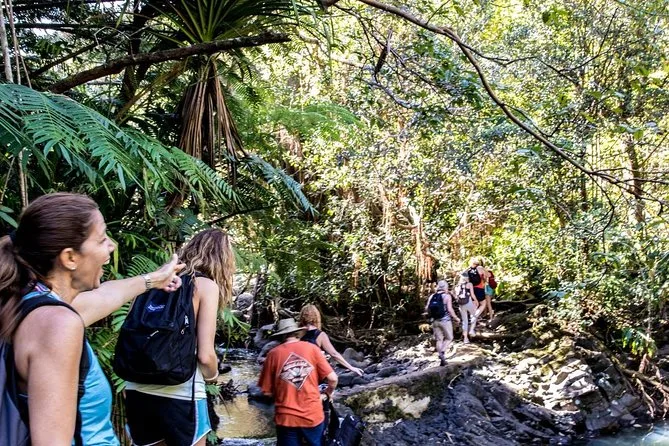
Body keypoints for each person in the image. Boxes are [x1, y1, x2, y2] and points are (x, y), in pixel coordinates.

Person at [0, 192, 183, 446]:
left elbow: (106, 296)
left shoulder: (29, 305)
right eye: (102, 239)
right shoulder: (58, 324)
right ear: (70, 258)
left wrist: (154, 279)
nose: (112, 246)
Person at [124, 228, 235, 446]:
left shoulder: (155, 280)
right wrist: (213, 376)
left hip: (136, 388)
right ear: (223, 260)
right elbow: (205, 356)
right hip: (181, 393)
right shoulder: (205, 286)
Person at [258, 318, 338, 446]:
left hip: (286, 418)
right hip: (312, 415)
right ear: (297, 333)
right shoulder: (312, 349)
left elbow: (266, 392)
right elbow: (333, 379)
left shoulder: (272, 354)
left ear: (281, 336)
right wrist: (326, 393)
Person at [298, 304, 364, 376]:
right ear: (316, 317)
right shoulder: (320, 335)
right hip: (312, 370)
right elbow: (334, 354)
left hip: (298, 369)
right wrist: (351, 368)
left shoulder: (296, 333)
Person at [424, 280, 460, 366]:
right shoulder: (447, 296)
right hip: (445, 321)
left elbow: (426, 308)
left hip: (435, 321)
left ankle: (442, 359)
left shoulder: (432, 296)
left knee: (439, 340)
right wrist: (456, 318)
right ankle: (442, 352)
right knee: (449, 338)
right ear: (445, 287)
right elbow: (450, 309)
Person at [455, 271, 478, 344]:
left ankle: (465, 339)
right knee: (474, 315)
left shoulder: (457, 285)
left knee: (464, 321)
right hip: (468, 302)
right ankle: (471, 330)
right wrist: (476, 301)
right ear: (467, 277)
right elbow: (472, 294)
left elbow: (455, 296)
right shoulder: (469, 284)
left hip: (461, 304)